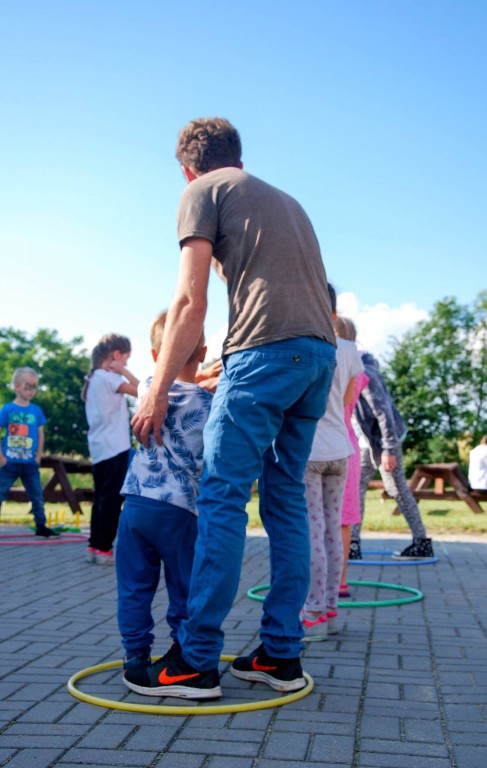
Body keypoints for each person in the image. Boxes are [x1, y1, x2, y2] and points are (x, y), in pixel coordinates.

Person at [128, 117, 336, 699]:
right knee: (285, 496)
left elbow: (190, 301)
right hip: (315, 355)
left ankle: (194, 661)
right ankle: (279, 654)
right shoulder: (285, 200)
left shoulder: (200, 190)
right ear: (239, 160)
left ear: (186, 169)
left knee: (221, 496)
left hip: (264, 352)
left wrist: (158, 387)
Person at [117, 312, 215, 692]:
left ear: (156, 354)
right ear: (203, 352)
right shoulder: (209, 408)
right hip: (179, 510)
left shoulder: (146, 388)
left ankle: (135, 655)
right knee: (183, 586)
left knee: (134, 586)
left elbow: (157, 382)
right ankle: (181, 650)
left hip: (137, 507)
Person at [301, 287, 363, 640]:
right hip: (341, 449)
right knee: (333, 530)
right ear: (336, 315)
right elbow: (346, 401)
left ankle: (312, 614)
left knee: (313, 531)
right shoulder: (351, 351)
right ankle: (331, 609)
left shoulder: (305, 348)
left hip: (310, 451)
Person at [351, 349, 434, 561]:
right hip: (365, 441)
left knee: (396, 488)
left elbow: (383, 410)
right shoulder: (347, 366)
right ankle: (352, 543)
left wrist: (388, 448)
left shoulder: (365, 369)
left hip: (384, 439)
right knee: (356, 487)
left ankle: (422, 542)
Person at [82, 334, 139, 564]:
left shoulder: (93, 378)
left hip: (98, 449)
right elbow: (142, 390)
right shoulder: (109, 377)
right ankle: (105, 549)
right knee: (112, 501)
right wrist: (122, 371)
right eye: (125, 360)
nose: (126, 364)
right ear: (116, 355)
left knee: (101, 499)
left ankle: (94, 547)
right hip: (115, 447)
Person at [0, 367, 58, 538]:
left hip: (30, 463)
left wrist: (38, 457)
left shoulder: (36, 411)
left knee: (37, 495)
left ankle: (41, 525)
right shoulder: (7, 409)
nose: (31, 390)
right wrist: (1, 457)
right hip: (9, 462)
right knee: (0, 493)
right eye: (28, 386)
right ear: (17, 387)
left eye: (34, 387)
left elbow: (40, 435)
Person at [334, 316, 369, 596]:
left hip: (326, 442)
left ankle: (319, 583)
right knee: (344, 520)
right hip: (349, 446)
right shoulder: (358, 371)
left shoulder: (330, 365)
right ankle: (340, 582)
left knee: (320, 520)